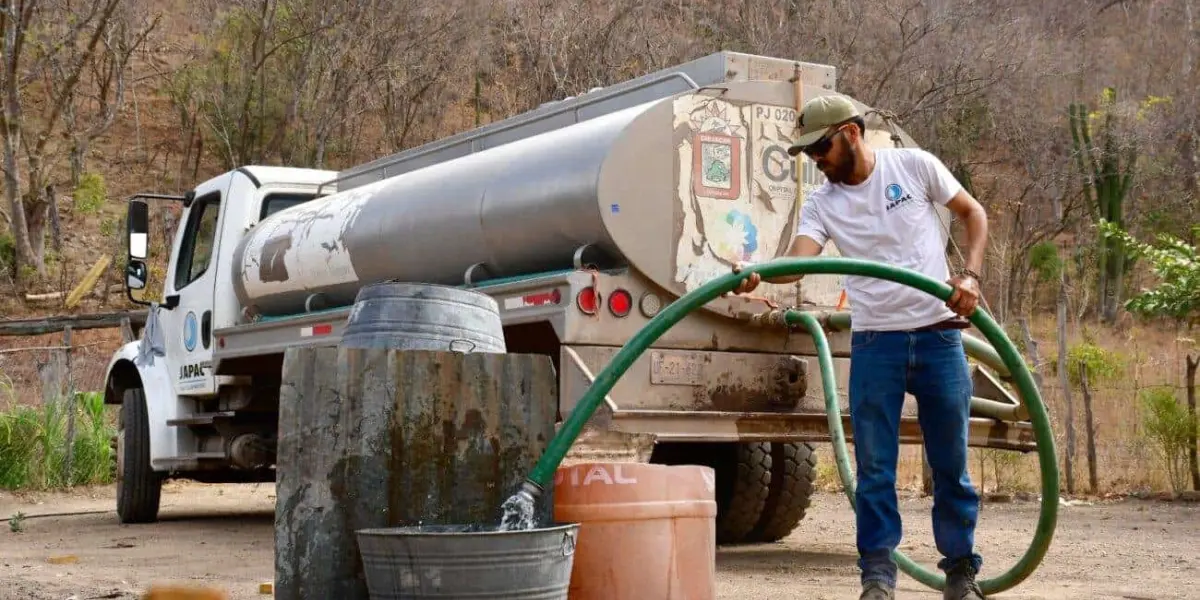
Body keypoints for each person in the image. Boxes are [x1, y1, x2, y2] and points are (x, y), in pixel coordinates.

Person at [731, 94, 990, 600]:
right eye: (807, 154)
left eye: (820, 147)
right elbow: (800, 260)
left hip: (939, 336)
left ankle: (960, 572)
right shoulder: (823, 202)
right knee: (875, 468)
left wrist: (972, 277)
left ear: (850, 133)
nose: (816, 160)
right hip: (876, 345)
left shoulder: (913, 166)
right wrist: (761, 272)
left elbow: (972, 212)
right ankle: (877, 578)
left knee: (950, 464)